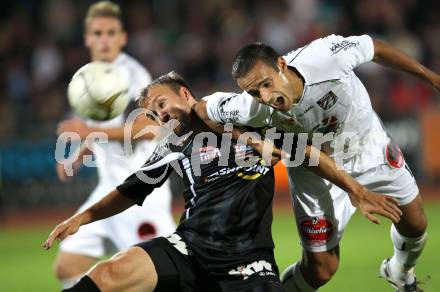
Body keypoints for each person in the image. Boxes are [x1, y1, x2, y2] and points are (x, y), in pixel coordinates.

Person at [43, 72, 396, 292]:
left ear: (184, 94)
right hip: (188, 250)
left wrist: (357, 190)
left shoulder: (250, 122)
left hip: (249, 262)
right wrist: (79, 219)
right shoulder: (173, 145)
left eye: (162, 104)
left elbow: (307, 153)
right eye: (153, 113)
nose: (160, 115)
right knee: (107, 274)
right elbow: (128, 192)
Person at [199, 34, 439, 291]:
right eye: (255, 92)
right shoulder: (251, 108)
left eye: (266, 84)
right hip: (314, 175)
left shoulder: (327, 57)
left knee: (415, 224)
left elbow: (375, 48)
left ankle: (399, 272)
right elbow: (203, 110)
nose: (265, 96)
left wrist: (431, 77)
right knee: (321, 269)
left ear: (281, 64)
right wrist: (251, 140)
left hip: (369, 148)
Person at [53, 1, 175, 288]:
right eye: (97, 33)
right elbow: (102, 131)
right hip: (106, 189)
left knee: (165, 275)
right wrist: (79, 157)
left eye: (111, 33)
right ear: (87, 38)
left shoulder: (134, 77)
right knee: (67, 265)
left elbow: (149, 129)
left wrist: (86, 130)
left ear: (123, 38)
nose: (104, 39)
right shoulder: (88, 78)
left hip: (138, 190)